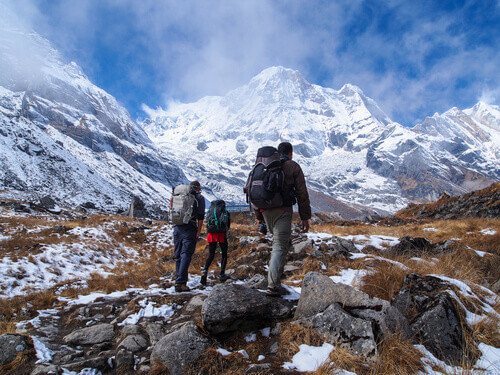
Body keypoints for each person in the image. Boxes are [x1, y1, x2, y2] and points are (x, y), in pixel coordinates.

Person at [256, 142, 311, 296]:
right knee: (280, 246)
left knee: (282, 244)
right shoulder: (292, 166)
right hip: (282, 211)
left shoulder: (264, 167)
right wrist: (305, 218)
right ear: (290, 152)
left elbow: (257, 190)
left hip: (265, 210)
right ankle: (273, 286)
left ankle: (276, 280)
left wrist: (259, 217)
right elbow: (302, 193)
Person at [173, 181, 205, 292]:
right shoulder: (199, 197)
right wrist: (199, 230)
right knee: (186, 255)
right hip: (190, 227)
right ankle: (181, 282)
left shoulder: (179, 195)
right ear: (198, 188)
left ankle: (178, 279)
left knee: (178, 255)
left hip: (177, 227)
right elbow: (201, 216)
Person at [201, 200, 231, 285]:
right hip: (221, 234)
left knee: (211, 254)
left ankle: (205, 272)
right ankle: (222, 274)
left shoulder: (210, 211)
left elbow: (206, 223)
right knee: (224, 254)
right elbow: (228, 225)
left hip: (211, 234)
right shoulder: (225, 212)